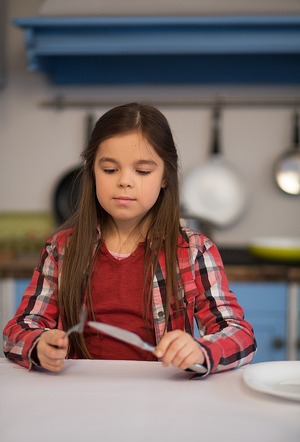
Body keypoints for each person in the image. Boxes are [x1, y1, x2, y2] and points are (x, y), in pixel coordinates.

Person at [3, 103, 256, 375]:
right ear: (92, 173)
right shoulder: (61, 249)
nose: (125, 181)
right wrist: (40, 343)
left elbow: (240, 335)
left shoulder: (194, 250)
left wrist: (202, 351)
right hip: (78, 394)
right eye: (110, 170)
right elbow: (17, 330)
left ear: (164, 178)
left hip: (161, 395)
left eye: (143, 171)